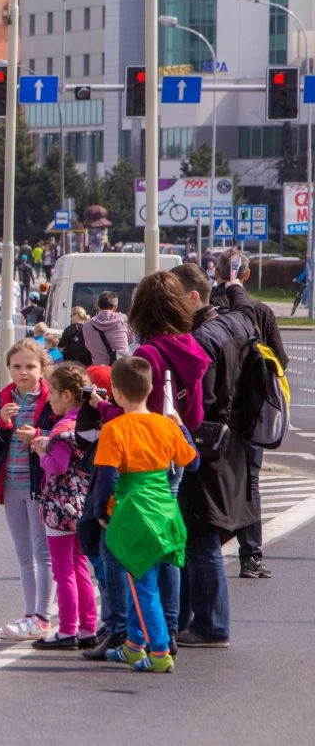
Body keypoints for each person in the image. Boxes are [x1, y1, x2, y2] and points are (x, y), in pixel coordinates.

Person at [168, 263, 257, 648]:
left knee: (199, 534)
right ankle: (196, 619)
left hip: (207, 439)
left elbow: (198, 401)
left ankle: (210, 624)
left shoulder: (201, 338)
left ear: (191, 297)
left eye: (173, 299)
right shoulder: (238, 325)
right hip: (237, 436)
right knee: (205, 531)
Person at [92, 357, 199, 673]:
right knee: (149, 576)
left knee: (142, 584)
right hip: (165, 510)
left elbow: (107, 476)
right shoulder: (166, 426)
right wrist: (181, 426)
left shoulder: (114, 429)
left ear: (116, 393)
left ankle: (159, 652)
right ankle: (135, 646)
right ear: (151, 388)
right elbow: (191, 463)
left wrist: (102, 511)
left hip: (133, 511)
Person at [212, 249, 287, 580]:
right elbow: (279, 361)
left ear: (215, 275)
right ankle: (251, 556)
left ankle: (207, 551)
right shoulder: (260, 312)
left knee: (209, 479)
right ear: (246, 276)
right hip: (250, 411)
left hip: (212, 411)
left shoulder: (205, 311)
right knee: (250, 482)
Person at [0, 339, 55, 641]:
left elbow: (64, 434)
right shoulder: (4, 399)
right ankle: (29, 613)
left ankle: (43, 616)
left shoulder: (51, 399)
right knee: (23, 555)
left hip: (40, 487)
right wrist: (1, 423)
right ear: (8, 369)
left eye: (30, 367)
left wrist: (37, 436)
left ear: (42, 368)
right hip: (11, 486)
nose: (24, 373)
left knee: (43, 553)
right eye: (17, 367)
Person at [29, 362, 98, 650]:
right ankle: (88, 627)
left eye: (54, 393)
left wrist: (41, 451)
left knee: (63, 570)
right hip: (82, 502)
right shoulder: (86, 423)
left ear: (68, 395)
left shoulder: (62, 427)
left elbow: (57, 465)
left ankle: (67, 629)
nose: (50, 398)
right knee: (81, 566)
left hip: (59, 507)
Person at [82, 291, 131, 366]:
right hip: (121, 367)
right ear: (115, 307)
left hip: (100, 369)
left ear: (97, 306)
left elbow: (89, 346)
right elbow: (131, 339)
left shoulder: (87, 325)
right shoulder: (123, 319)